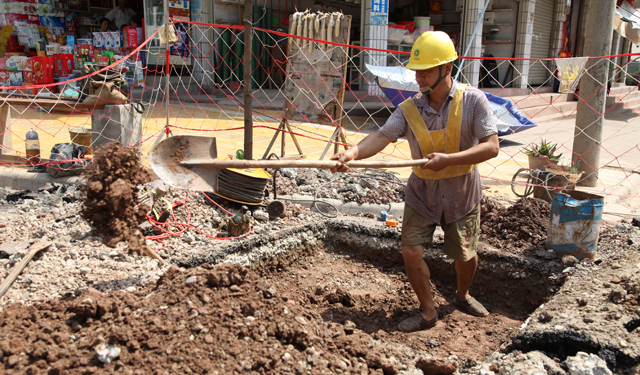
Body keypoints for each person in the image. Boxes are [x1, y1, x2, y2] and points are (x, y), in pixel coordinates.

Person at [330, 31, 499, 333]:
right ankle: (428, 311)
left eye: (426, 71)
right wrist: (353, 152)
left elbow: (491, 146)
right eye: (416, 71)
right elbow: (382, 136)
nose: (418, 78)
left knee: (465, 255)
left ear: (446, 69)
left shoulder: (473, 101)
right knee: (410, 251)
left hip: (462, 194)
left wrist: (448, 159)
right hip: (421, 194)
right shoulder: (409, 110)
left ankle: (462, 295)